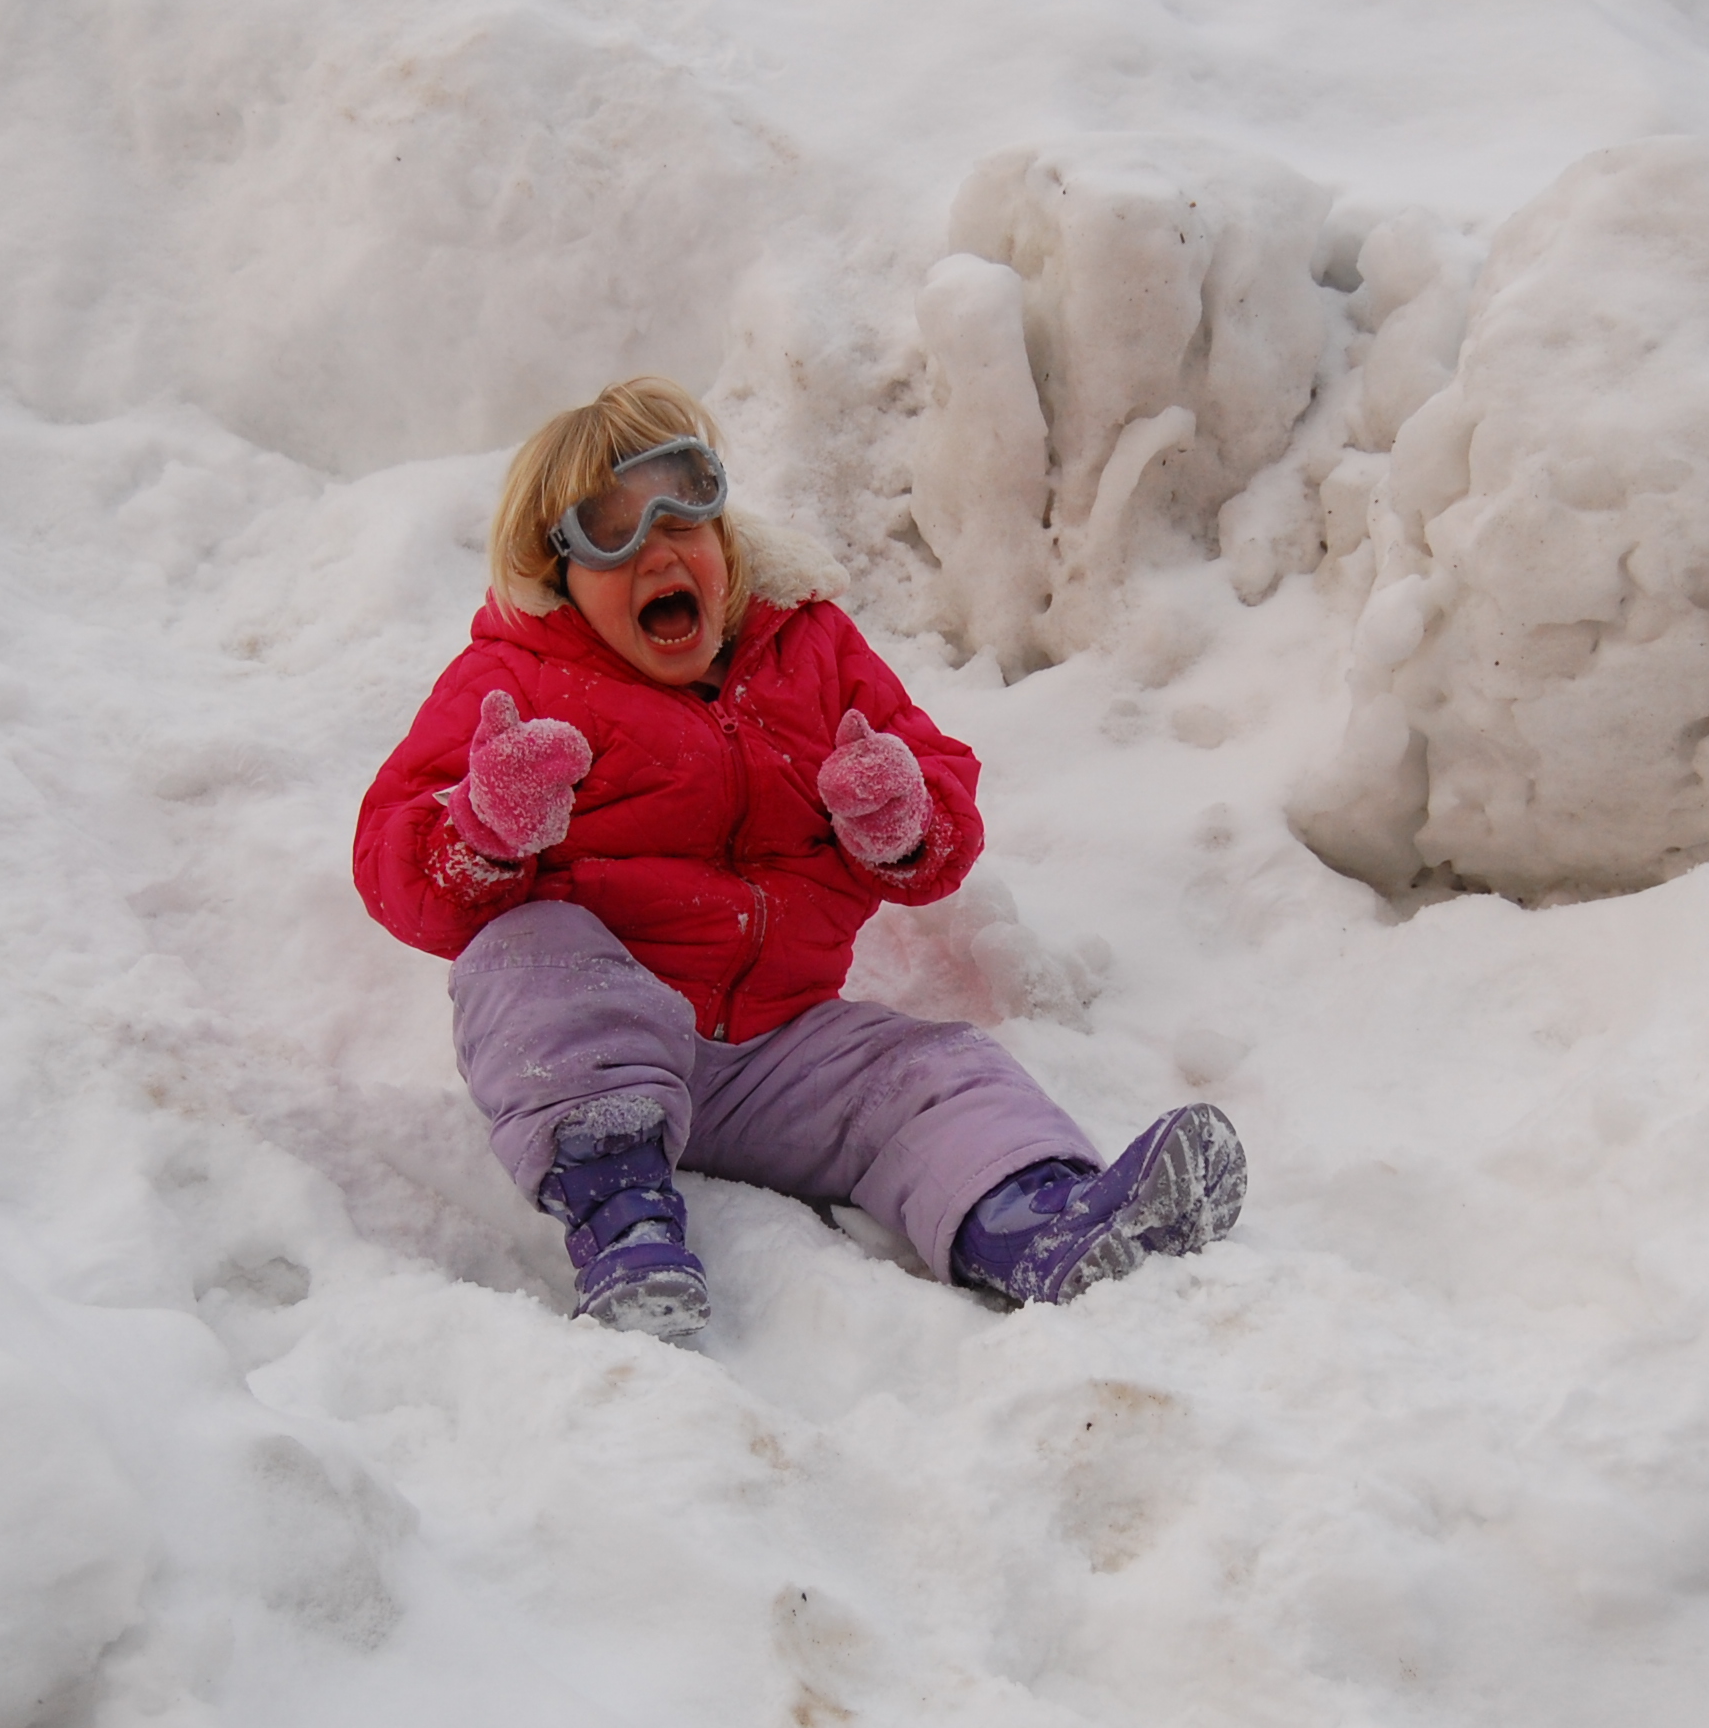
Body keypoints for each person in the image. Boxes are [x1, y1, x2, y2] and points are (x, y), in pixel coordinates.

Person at [352, 377, 1244, 1343]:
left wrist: (899, 821)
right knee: (525, 954)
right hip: (601, 1044)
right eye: (610, 532)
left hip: (779, 1053)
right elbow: (394, 863)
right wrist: (484, 830)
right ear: (557, 570)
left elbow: (938, 803)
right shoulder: (514, 680)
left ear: (722, 531)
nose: (657, 548)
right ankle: (624, 1224)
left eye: (681, 510)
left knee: (937, 1070)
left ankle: (1041, 1223)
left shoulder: (810, 647)